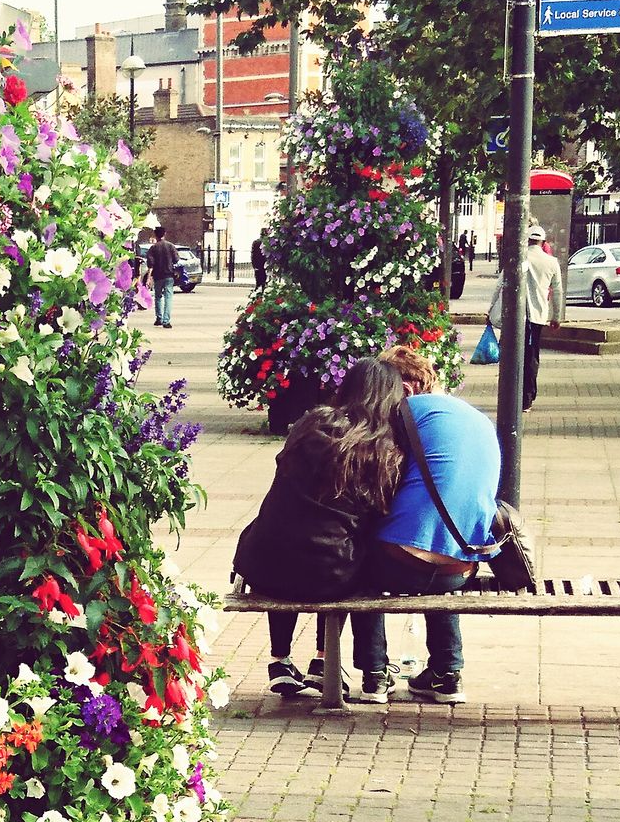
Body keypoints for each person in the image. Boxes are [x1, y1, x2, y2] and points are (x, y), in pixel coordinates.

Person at [234, 358, 407, 699]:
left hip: (261, 563)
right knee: (341, 550)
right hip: (330, 575)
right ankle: (323, 659)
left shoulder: (313, 422)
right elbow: (378, 513)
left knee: (285, 530)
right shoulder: (386, 450)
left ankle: (280, 660)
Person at [351, 352, 501, 705]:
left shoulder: (406, 412)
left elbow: (375, 478)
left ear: (406, 387)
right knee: (440, 544)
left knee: (358, 562)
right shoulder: (475, 418)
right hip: (461, 568)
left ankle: (374, 676)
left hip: (401, 563)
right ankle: (447, 673)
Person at [487, 223, 563, 411]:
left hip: (514, 317)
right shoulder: (551, 263)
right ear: (542, 242)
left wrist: (490, 310)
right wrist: (557, 316)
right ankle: (527, 398)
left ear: (527, 240)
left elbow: (500, 285)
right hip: (536, 317)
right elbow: (558, 291)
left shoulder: (517, 259)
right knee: (531, 357)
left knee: (511, 355)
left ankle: (510, 395)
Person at [145, 225, 179, 329]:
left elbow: (150, 263)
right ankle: (166, 320)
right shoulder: (170, 246)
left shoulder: (153, 248)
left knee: (158, 297)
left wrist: (149, 277)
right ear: (164, 234)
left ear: (155, 235)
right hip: (169, 275)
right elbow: (176, 259)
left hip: (158, 276)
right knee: (169, 297)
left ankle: (159, 318)